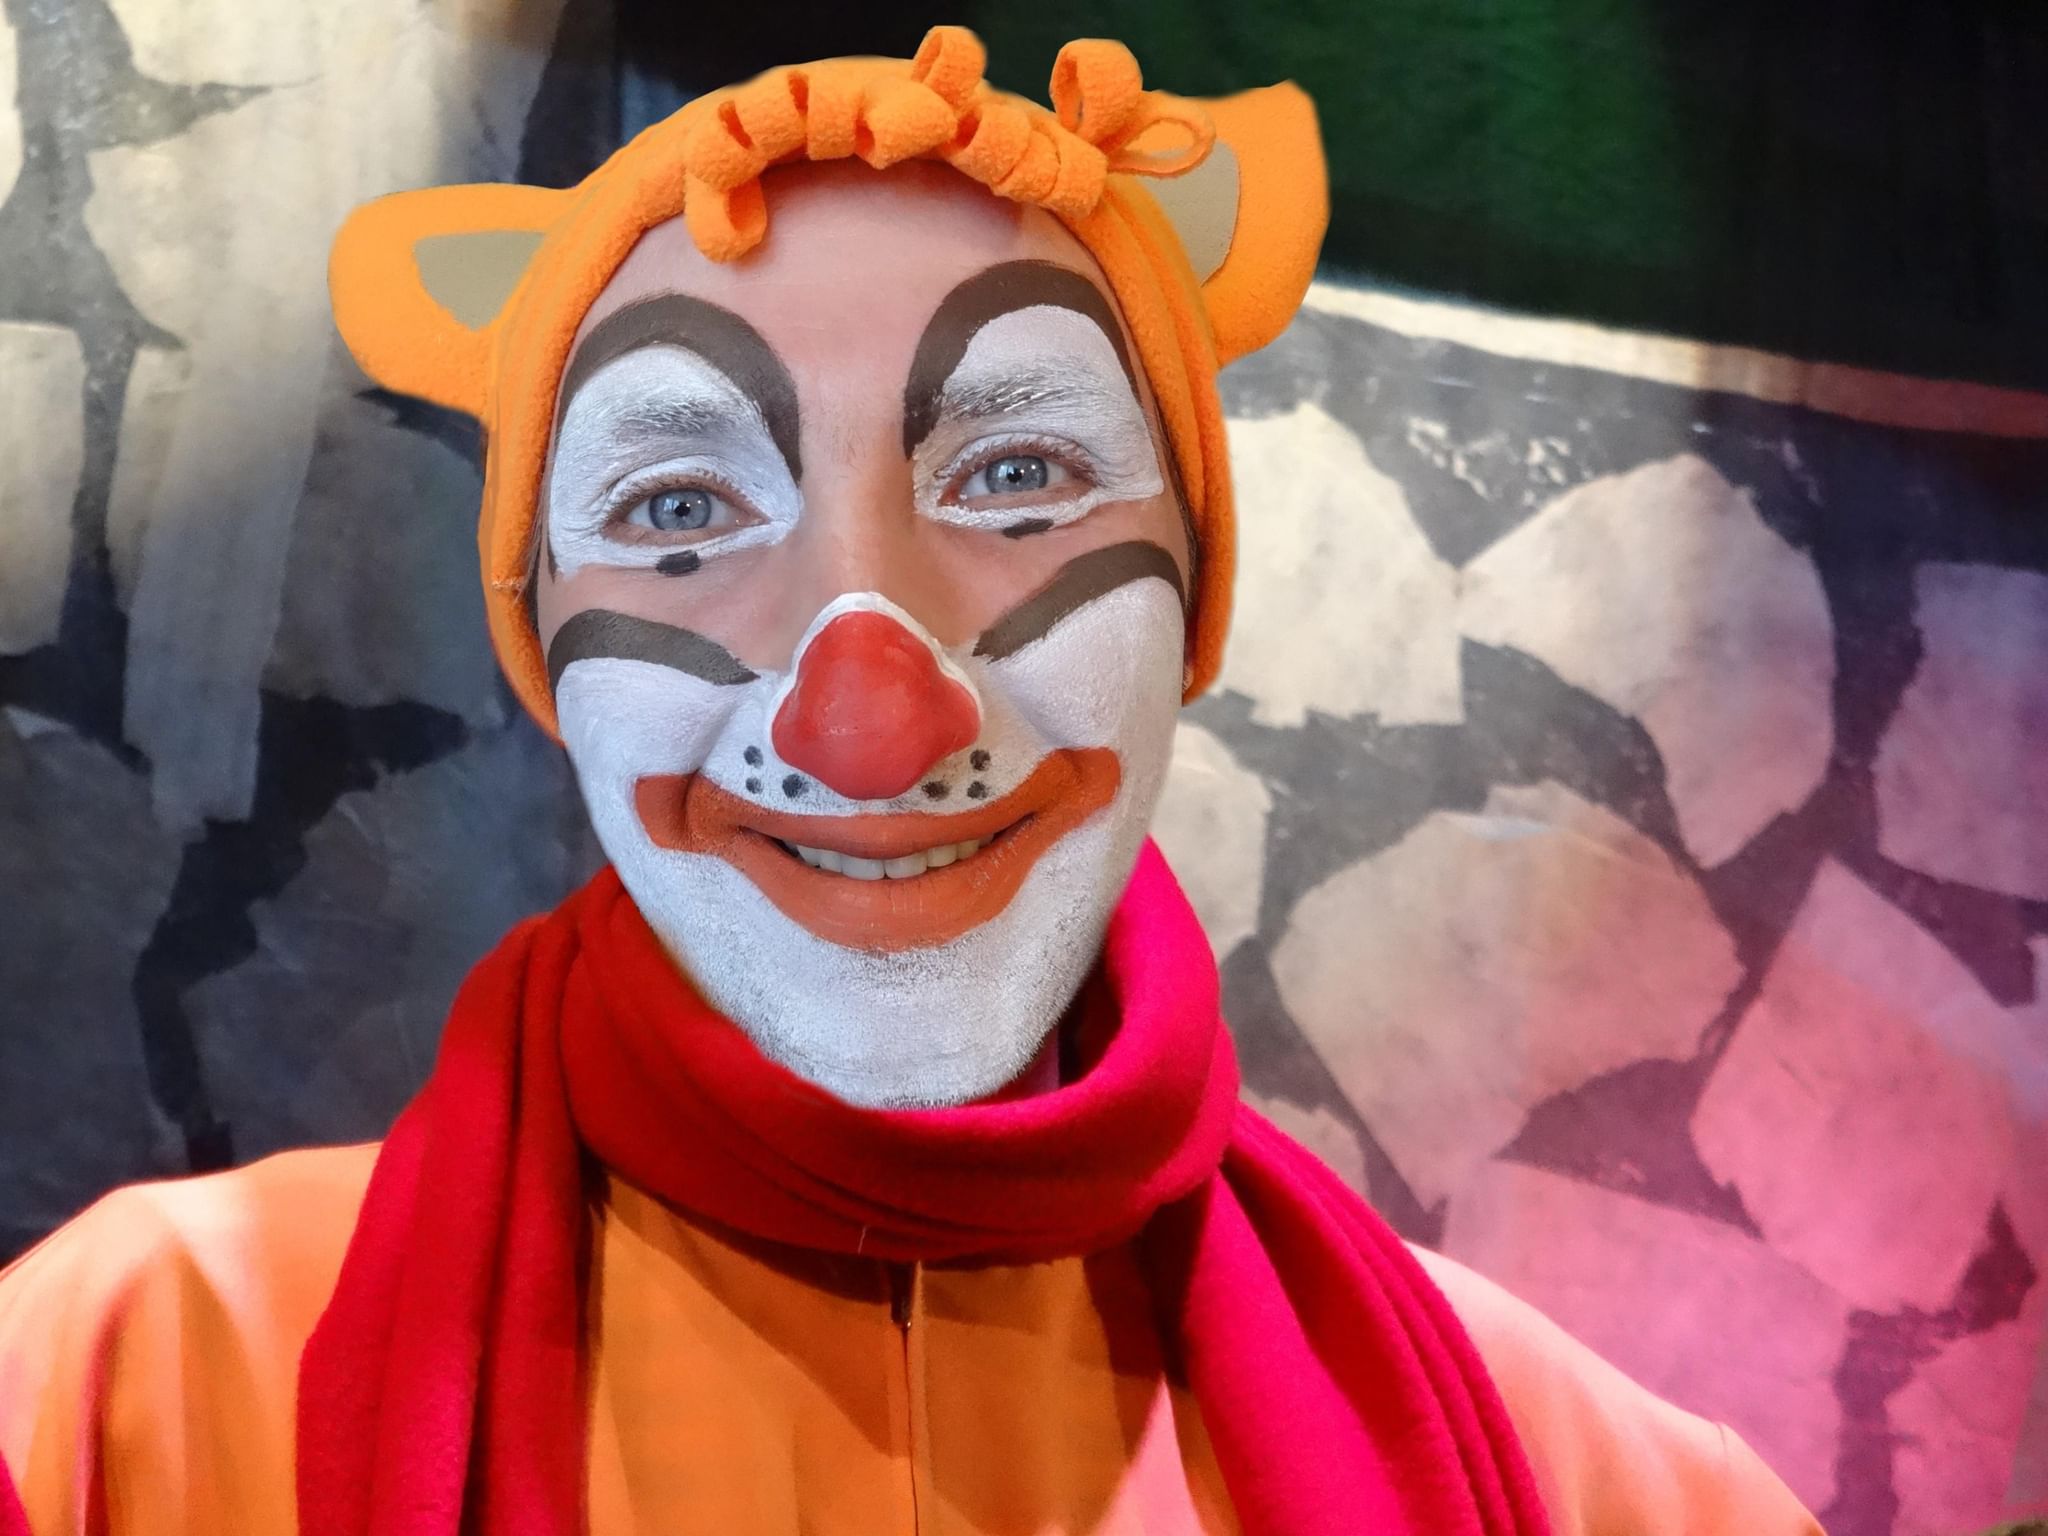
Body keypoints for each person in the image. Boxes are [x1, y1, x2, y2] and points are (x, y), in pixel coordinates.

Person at [0, 28, 1823, 1535]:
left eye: (1022, 477)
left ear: (1194, 601)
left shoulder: (1617, 1495)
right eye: (678, 506)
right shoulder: (109, 1394)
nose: (865, 716)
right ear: (545, 656)